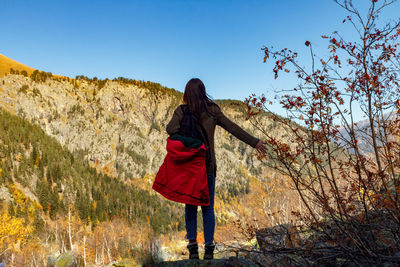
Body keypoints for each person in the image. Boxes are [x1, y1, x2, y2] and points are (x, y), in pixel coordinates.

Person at [166, 78, 267, 260]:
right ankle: (210, 248)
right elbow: (233, 128)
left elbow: (170, 128)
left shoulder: (181, 111)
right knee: (208, 207)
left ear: (187, 93)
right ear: (203, 91)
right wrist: (255, 142)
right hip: (207, 167)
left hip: (189, 167)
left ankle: (193, 248)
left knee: (190, 206)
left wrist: (186, 136)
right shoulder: (212, 110)